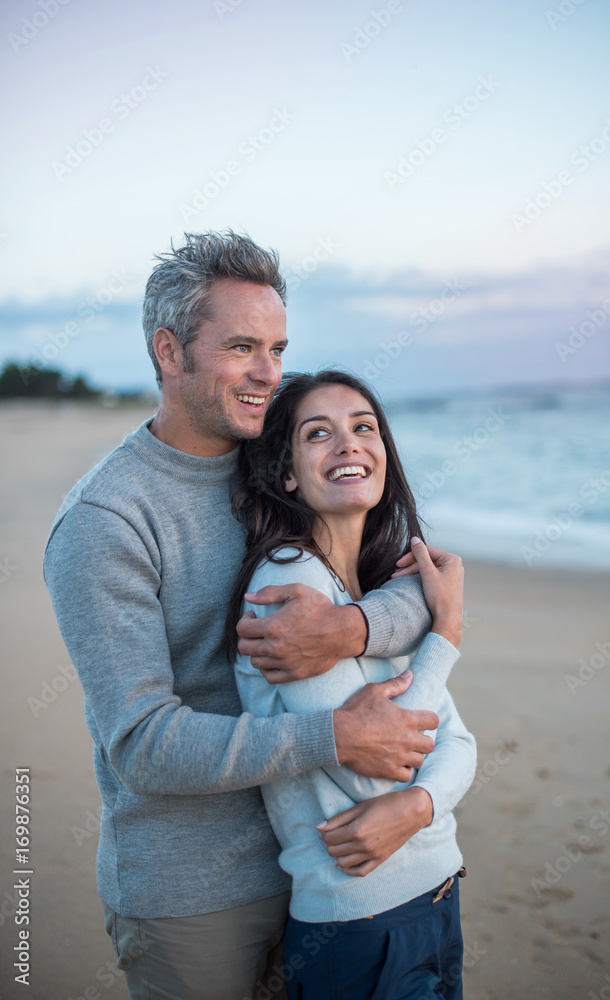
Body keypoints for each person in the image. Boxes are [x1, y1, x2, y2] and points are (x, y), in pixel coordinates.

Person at [43, 231, 465, 1000]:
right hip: (193, 894)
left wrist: (349, 630)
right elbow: (142, 745)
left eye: (276, 348)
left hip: (314, 868)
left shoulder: (271, 463)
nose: (269, 373)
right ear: (168, 351)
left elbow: (410, 578)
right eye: (242, 347)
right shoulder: (106, 522)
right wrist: (333, 735)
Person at [229, 370, 477, 1000]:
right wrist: (446, 629)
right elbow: (382, 771)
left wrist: (421, 805)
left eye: (364, 427)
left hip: (438, 894)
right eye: (319, 434)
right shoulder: (287, 582)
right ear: (288, 474)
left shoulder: (377, 589)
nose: (349, 444)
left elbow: (459, 744)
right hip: (358, 918)